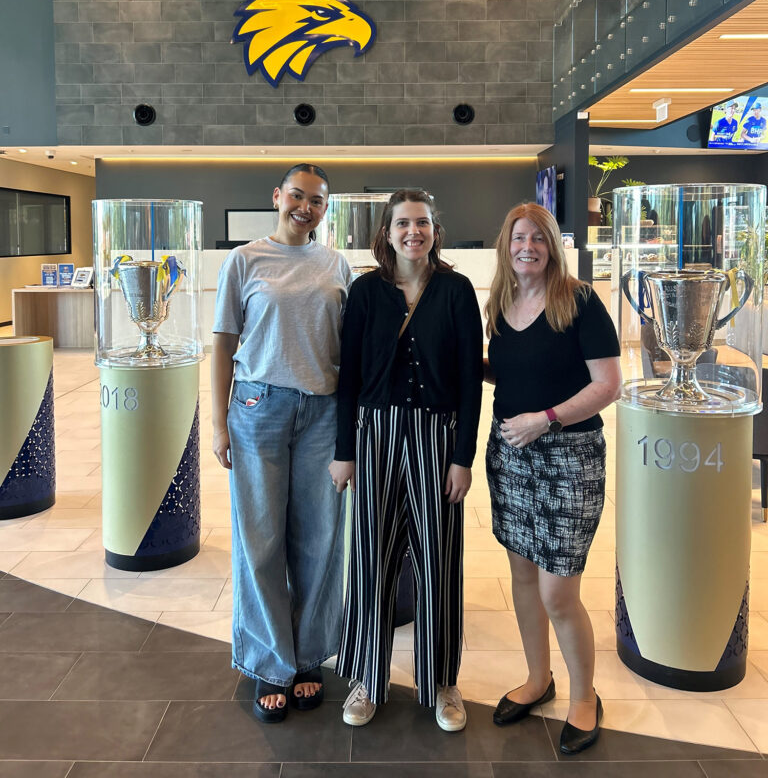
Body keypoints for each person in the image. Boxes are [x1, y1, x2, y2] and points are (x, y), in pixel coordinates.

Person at [329, 189, 483, 732]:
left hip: (438, 438)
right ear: (387, 232)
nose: (412, 232)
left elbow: (469, 381)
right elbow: (347, 377)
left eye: (421, 223)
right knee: (371, 558)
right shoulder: (367, 291)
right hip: (374, 437)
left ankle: (441, 681)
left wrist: (463, 457)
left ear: (434, 230)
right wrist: (344, 451)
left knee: (438, 560)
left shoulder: (458, 290)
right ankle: (368, 679)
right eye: (402, 223)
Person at [211, 163, 352, 723]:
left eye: (317, 201)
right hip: (257, 408)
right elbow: (223, 343)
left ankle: (309, 654)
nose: (306, 207)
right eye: (297, 196)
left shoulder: (336, 264)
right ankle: (270, 663)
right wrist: (219, 423)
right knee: (261, 538)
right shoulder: (244, 260)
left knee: (319, 538)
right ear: (277, 197)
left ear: (324, 209)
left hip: (322, 411)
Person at [484, 203, 621, 755]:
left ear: (552, 246)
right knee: (521, 577)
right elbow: (508, 368)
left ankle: (584, 697)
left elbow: (608, 383)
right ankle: (539, 680)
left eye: (538, 239)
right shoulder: (500, 301)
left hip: (570, 455)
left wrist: (546, 419)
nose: (528, 247)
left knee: (557, 590)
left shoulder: (579, 300)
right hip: (512, 456)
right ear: (506, 244)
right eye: (519, 237)